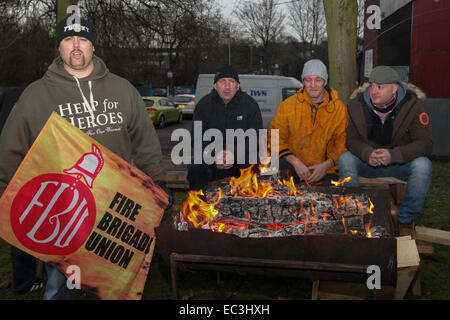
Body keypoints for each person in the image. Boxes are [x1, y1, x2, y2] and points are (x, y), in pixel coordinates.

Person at [0, 16, 172, 299]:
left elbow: (145, 142)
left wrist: (158, 181)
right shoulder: (35, 95)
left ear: (93, 46)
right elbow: (11, 149)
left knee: (114, 285)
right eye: (68, 40)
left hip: (116, 211)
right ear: (59, 47)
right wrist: (6, 196)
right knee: (60, 287)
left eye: (83, 39)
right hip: (64, 212)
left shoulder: (122, 90)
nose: (76, 46)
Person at [338, 66, 433, 237]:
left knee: (423, 165)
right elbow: (350, 140)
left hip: (400, 163)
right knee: (345, 159)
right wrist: (367, 153)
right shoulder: (356, 105)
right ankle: (354, 215)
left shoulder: (412, 105)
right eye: (372, 85)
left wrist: (394, 155)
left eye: (380, 87)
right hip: (369, 162)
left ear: (394, 88)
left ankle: (404, 220)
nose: (374, 91)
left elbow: (425, 143)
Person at [269, 59, 348, 186]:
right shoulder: (288, 106)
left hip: (325, 170)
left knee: (327, 199)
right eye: (308, 80)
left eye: (318, 80)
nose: (313, 85)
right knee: (274, 182)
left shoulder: (338, 109)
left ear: (325, 82)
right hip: (294, 166)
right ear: (303, 81)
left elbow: (342, 145)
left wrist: (325, 166)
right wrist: (296, 163)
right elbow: (274, 139)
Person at [187, 65, 263, 190]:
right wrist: (215, 153)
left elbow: (256, 137)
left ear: (237, 86)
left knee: (253, 161)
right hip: (212, 155)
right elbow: (196, 138)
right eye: (222, 81)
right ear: (215, 85)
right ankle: (199, 202)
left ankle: (248, 201)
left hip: (241, 155)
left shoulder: (250, 105)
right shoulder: (203, 105)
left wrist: (233, 153)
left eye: (231, 82)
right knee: (195, 165)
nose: (227, 86)